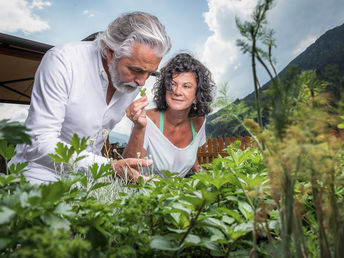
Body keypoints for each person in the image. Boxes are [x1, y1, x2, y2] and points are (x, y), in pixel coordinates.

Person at [9, 12, 171, 184]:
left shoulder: (131, 82)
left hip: (87, 183)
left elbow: (121, 164)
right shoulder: (63, 61)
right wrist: (108, 167)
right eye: (136, 70)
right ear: (110, 52)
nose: (142, 82)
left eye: (149, 73)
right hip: (37, 177)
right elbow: (39, 141)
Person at [123, 53, 215, 177]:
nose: (177, 91)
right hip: (144, 193)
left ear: (197, 96)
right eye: (172, 84)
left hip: (176, 194)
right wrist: (139, 127)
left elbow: (191, 156)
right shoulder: (147, 120)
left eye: (186, 86)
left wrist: (204, 176)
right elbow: (128, 170)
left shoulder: (199, 121)